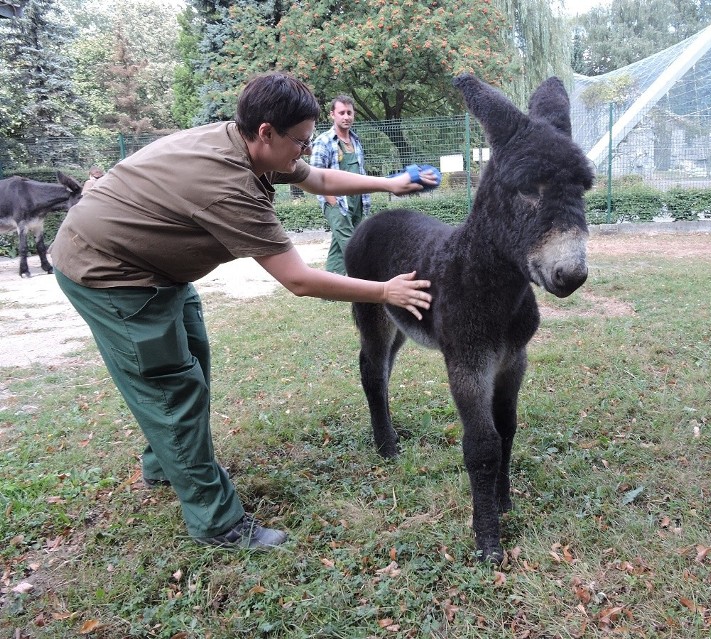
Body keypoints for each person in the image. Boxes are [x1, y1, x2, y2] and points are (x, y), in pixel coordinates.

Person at [50, 72, 436, 551]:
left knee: (193, 358)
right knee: (172, 388)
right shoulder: (231, 187)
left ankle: (164, 464)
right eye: (299, 141)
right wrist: (384, 291)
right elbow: (297, 279)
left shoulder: (247, 143)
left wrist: (391, 183)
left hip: (154, 268)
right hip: (110, 270)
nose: (305, 149)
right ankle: (217, 522)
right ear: (266, 132)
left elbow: (315, 177)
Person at [309, 95, 368, 275]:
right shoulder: (324, 141)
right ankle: (365, 281)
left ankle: (330, 288)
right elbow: (314, 175)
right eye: (341, 112)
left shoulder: (356, 141)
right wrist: (332, 202)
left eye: (349, 112)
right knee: (351, 243)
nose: (346, 116)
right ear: (332, 115)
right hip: (335, 201)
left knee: (339, 242)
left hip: (357, 201)